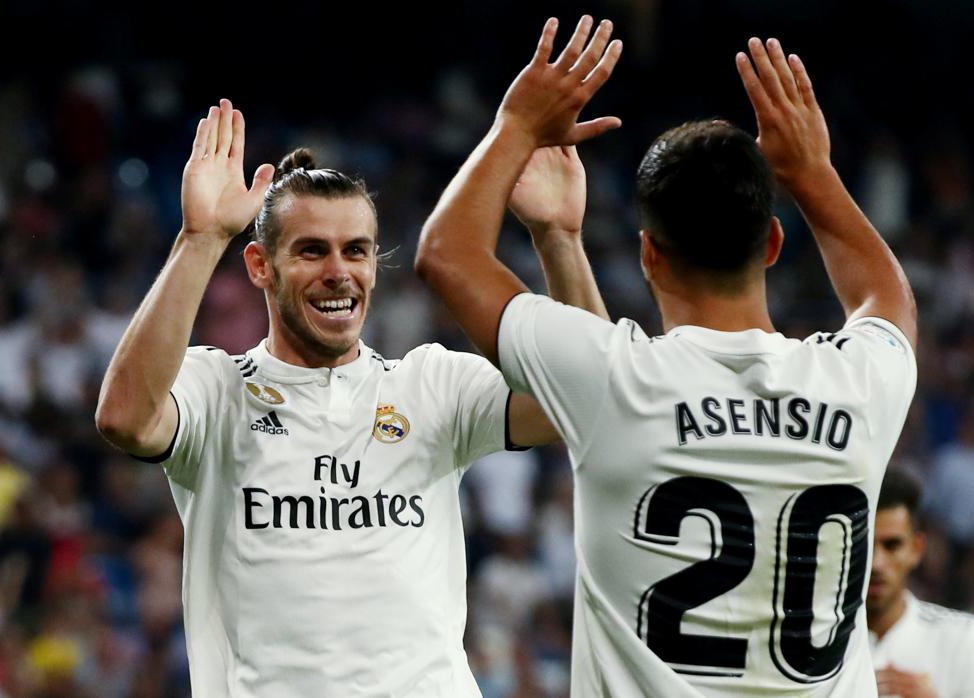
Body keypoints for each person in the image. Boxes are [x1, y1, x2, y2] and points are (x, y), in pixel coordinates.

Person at [416, 18, 918, 697]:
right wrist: (811, 171)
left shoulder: (620, 381)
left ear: (648, 255)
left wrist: (517, 124)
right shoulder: (860, 385)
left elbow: (447, 254)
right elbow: (885, 296)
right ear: (772, 243)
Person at [95, 98, 602, 696]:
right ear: (260, 266)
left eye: (356, 250)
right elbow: (125, 419)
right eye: (312, 251)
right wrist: (201, 239)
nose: (340, 271)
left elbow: (589, 398)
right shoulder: (217, 390)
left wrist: (559, 237)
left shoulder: (431, 385)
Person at [869, 468, 974, 697]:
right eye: (865, 545)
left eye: (892, 545)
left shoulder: (962, 637)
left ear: (917, 548)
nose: (876, 563)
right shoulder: (812, 640)